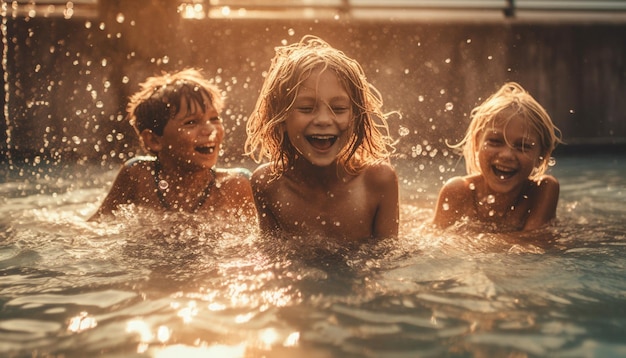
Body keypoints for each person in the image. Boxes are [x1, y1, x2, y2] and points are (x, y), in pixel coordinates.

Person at [245, 35, 399, 241]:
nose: (324, 120)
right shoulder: (267, 183)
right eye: (307, 108)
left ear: (356, 117)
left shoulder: (377, 180)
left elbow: (389, 262)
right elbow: (269, 258)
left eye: (339, 108)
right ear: (280, 117)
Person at [90, 68, 255, 221]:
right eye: (191, 122)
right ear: (154, 140)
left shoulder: (237, 185)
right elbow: (96, 226)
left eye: (214, 118)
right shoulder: (138, 177)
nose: (210, 130)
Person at [433, 82, 562, 232]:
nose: (507, 155)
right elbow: (438, 245)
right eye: (495, 141)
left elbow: (533, 245)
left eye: (522, 146)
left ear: (541, 155)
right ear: (476, 143)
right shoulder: (458, 191)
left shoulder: (543, 190)